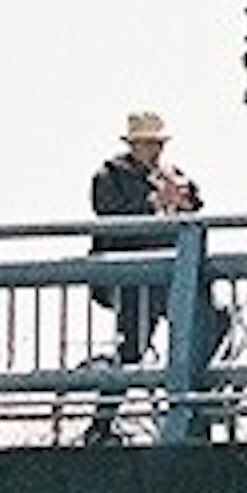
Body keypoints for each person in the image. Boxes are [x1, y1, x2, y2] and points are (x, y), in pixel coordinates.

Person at [86, 107, 218, 435]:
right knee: (133, 348)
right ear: (132, 145)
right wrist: (154, 202)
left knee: (207, 327)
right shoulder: (110, 176)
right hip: (132, 276)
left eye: (157, 144)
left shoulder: (170, 172)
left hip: (171, 273)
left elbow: (196, 204)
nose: (154, 151)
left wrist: (184, 197)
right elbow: (114, 218)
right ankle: (102, 423)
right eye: (147, 144)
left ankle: (193, 414)